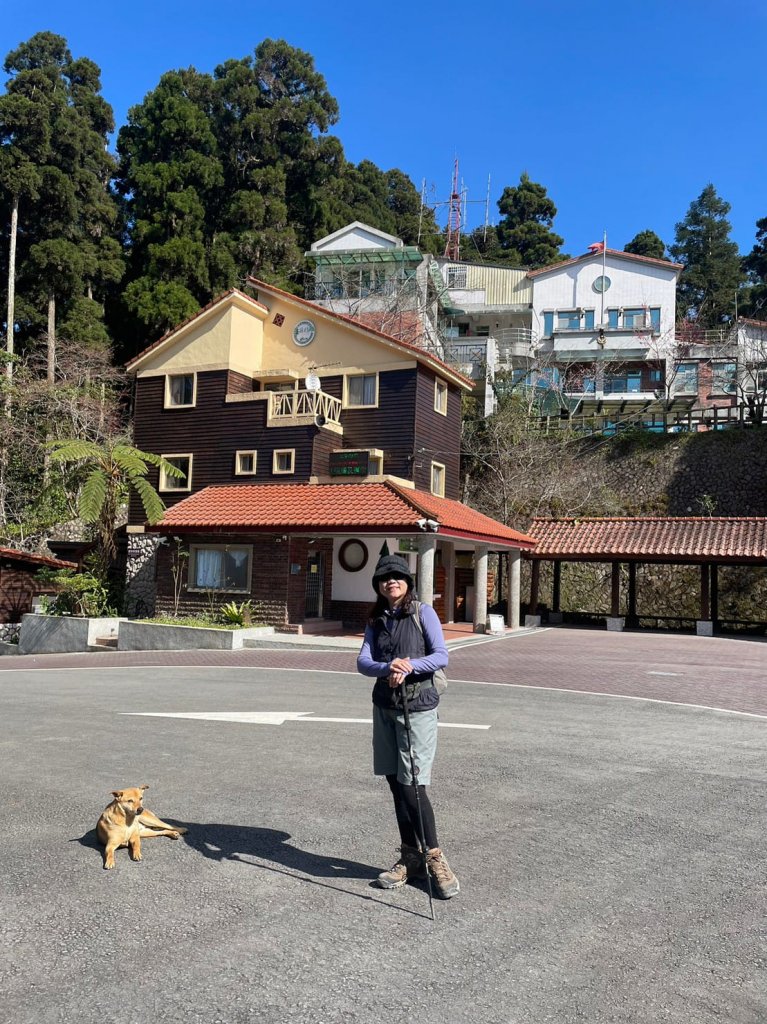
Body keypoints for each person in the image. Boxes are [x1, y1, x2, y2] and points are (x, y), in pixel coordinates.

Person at [356, 553, 460, 899]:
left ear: (407, 582)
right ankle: (409, 857)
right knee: (395, 783)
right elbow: (364, 662)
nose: (392, 582)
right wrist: (389, 668)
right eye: (385, 579)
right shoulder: (376, 620)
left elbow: (441, 655)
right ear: (379, 586)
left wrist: (408, 665)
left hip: (417, 708)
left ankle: (434, 857)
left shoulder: (423, 612)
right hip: (384, 707)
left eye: (398, 577)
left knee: (413, 784)